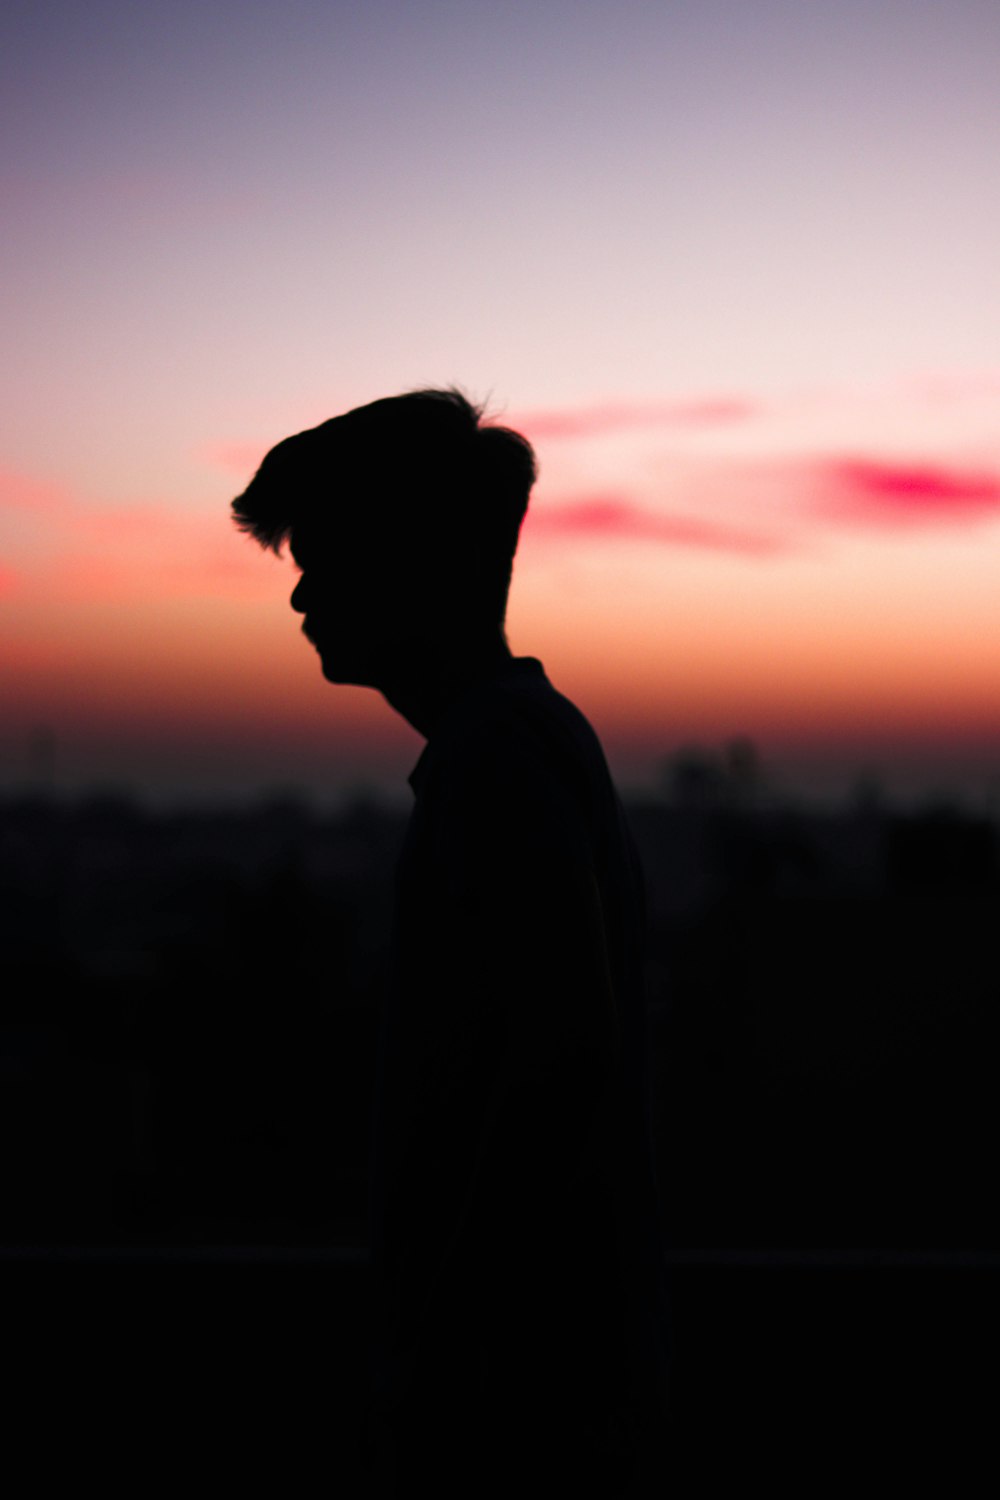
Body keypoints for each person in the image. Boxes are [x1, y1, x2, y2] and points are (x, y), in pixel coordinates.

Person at [231, 387, 670, 1497]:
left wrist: (440, 1354)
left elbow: (555, 1067)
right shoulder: (521, 744)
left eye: (324, 556)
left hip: (510, 1408)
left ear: (419, 562)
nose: (300, 593)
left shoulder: (499, 767)